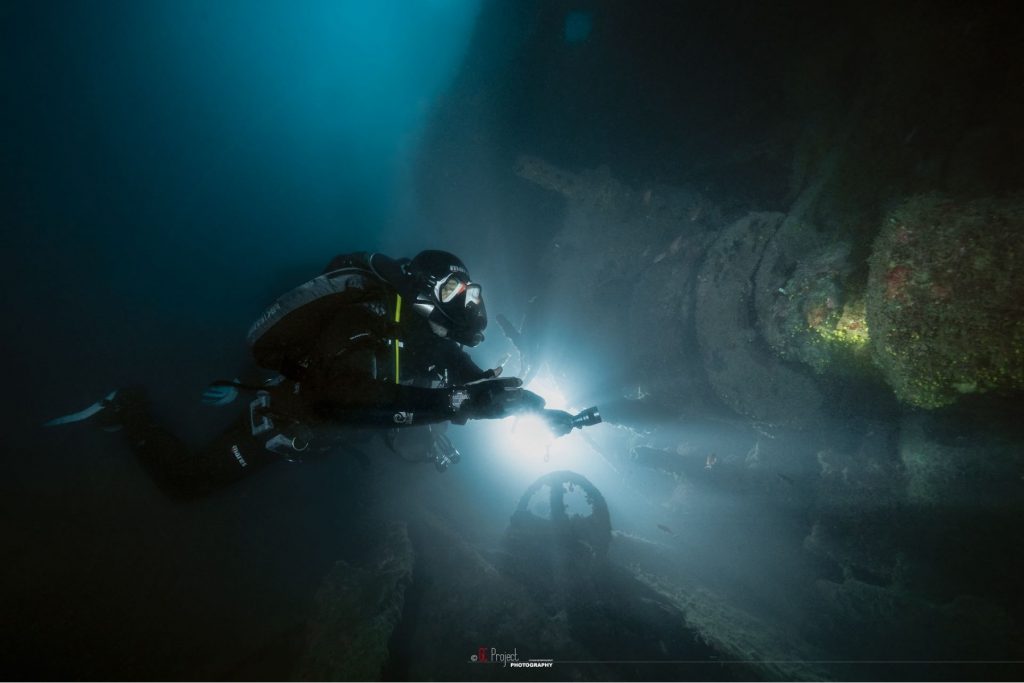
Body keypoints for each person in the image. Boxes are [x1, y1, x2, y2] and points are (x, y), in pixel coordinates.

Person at [46, 250, 570, 498]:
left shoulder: (416, 332)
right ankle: (128, 408)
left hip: (323, 441)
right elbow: (336, 398)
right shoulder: (365, 315)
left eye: (469, 292)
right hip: (285, 423)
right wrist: (457, 405)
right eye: (454, 292)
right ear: (421, 289)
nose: (467, 303)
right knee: (187, 486)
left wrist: (536, 409)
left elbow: (468, 376)